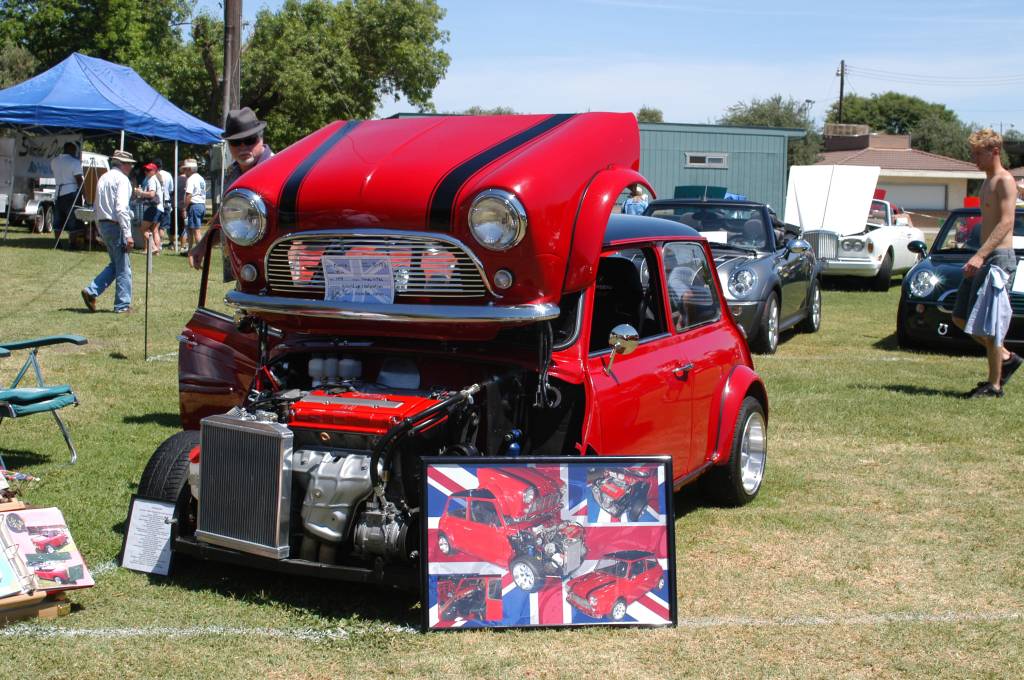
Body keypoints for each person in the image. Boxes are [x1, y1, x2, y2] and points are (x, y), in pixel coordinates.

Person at [952, 129, 1020, 398]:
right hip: (984, 256)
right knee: (960, 317)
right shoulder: (986, 182)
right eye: (973, 154)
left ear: (995, 152)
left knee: (990, 325)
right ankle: (1006, 358)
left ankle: (994, 385)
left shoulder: (1005, 180)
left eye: (978, 154)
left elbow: (1006, 222)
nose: (974, 160)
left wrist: (980, 255)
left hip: (998, 259)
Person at [188, 107, 274, 269]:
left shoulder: (279, 170)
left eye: (249, 140)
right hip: (242, 265)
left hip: (275, 264)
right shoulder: (231, 174)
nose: (243, 147)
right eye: (235, 142)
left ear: (261, 138)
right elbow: (226, 215)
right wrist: (203, 245)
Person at [81, 149, 136, 314]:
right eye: (130, 164)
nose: (131, 167)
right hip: (115, 225)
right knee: (123, 267)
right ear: (123, 164)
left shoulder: (103, 177)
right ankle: (122, 305)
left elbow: (96, 205)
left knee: (116, 264)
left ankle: (92, 291)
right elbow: (121, 208)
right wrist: (128, 234)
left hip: (104, 224)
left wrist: (99, 227)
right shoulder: (122, 179)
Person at [50, 142, 83, 243]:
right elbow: (79, 180)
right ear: (71, 150)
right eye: (74, 151)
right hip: (71, 192)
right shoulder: (75, 162)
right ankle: (72, 243)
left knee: (58, 219)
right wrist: (84, 193)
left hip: (58, 193)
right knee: (73, 219)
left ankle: (57, 242)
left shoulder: (54, 161)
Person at [135, 162, 165, 254]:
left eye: (148, 170)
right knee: (155, 230)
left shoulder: (151, 179)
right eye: (145, 170)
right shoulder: (157, 179)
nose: (146, 172)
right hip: (160, 208)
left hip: (153, 208)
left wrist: (140, 193)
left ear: (154, 171)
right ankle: (157, 251)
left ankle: (153, 247)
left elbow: (151, 194)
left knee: (143, 229)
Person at [182, 158, 206, 253]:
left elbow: (189, 195)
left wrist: (184, 208)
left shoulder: (191, 179)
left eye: (185, 169)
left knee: (196, 230)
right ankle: (190, 250)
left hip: (194, 205)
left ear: (189, 169)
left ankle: (200, 251)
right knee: (190, 229)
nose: (184, 171)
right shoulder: (201, 178)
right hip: (201, 205)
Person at [153, 159, 174, 243]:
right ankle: (160, 243)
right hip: (166, 201)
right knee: (162, 226)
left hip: (156, 202)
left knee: (155, 225)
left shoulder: (153, 175)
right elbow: (171, 189)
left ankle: (157, 243)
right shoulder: (168, 174)